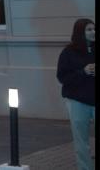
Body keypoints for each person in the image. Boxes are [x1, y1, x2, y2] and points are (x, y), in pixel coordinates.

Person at [56, 18, 95, 170]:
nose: (93, 32)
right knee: (81, 142)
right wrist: (83, 72)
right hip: (78, 101)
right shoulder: (68, 53)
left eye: (94, 29)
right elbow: (62, 77)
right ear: (80, 32)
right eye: (89, 30)